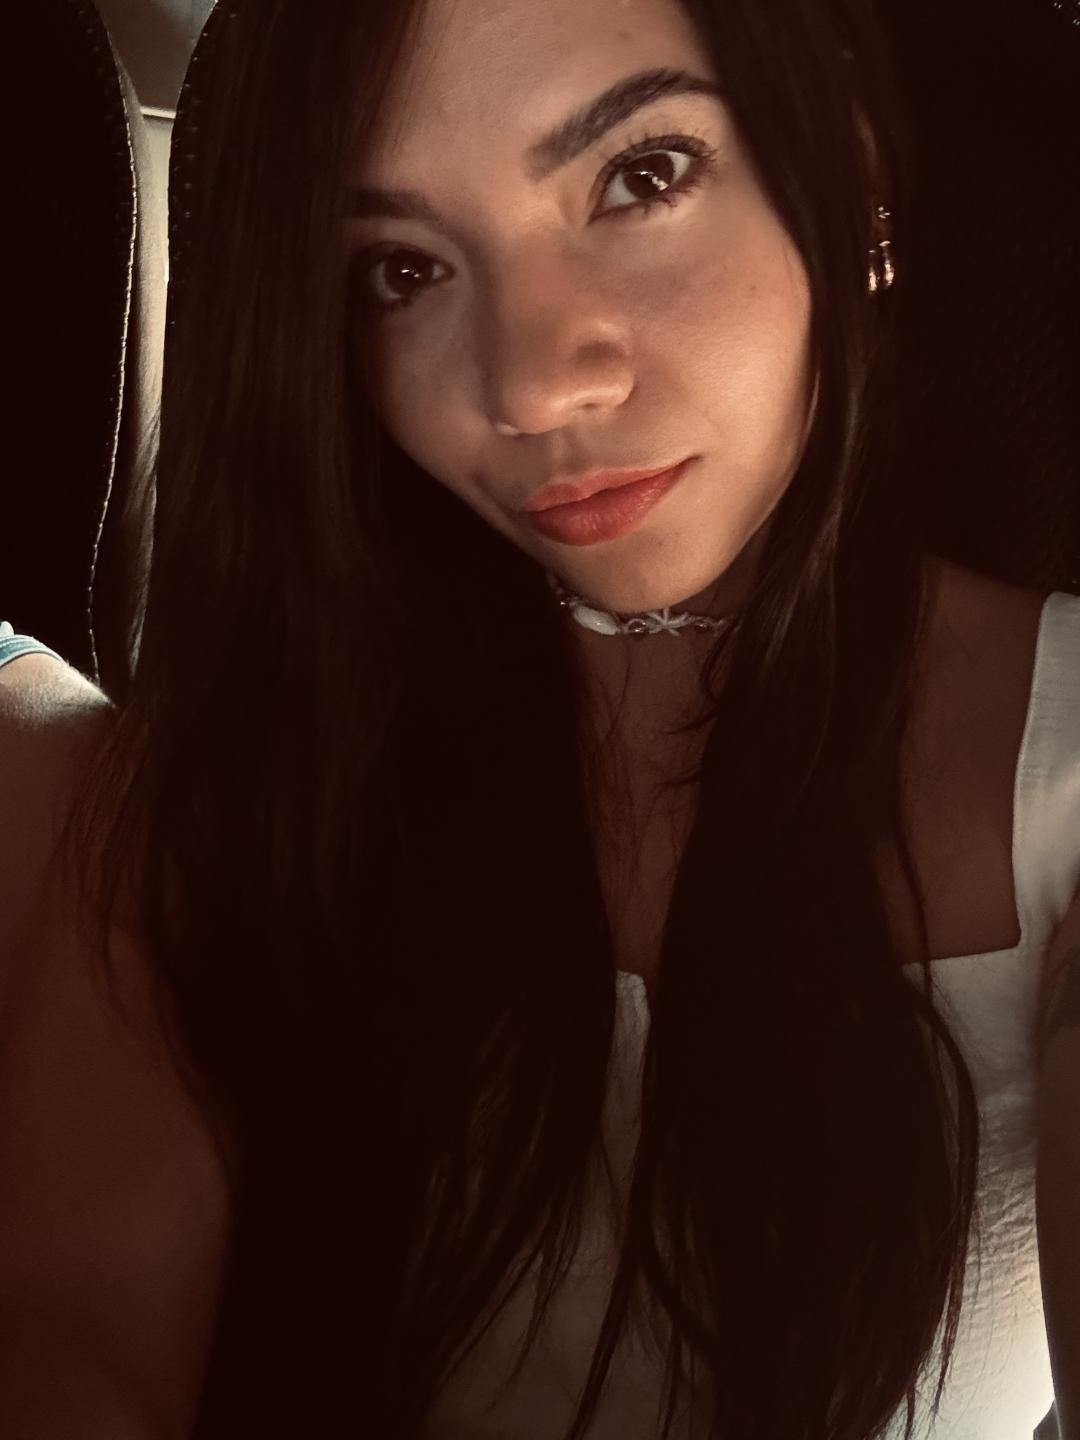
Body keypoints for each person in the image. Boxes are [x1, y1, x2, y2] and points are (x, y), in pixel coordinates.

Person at [1, 0, 1077, 1436]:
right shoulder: (240, 754)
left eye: (641, 176)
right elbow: (72, 1331)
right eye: (403, 269)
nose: (531, 386)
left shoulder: (1063, 760)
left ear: (849, 161)